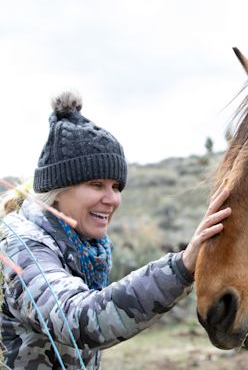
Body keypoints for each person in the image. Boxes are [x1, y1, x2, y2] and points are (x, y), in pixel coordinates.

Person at [0, 91, 231, 369]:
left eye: (116, 187)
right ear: (57, 191)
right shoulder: (21, 249)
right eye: (96, 185)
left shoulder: (82, 248)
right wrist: (180, 268)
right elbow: (77, 319)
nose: (111, 199)